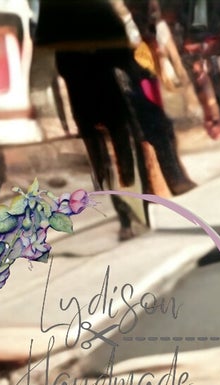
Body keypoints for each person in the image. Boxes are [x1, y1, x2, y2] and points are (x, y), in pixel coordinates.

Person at [36, 0, 196, 239]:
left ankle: (129, 216)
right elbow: (116, 45)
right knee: (120, 152)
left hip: (87, 90)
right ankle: (132, 214)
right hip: (102, 87)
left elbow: (52, 50)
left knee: (108, 157)